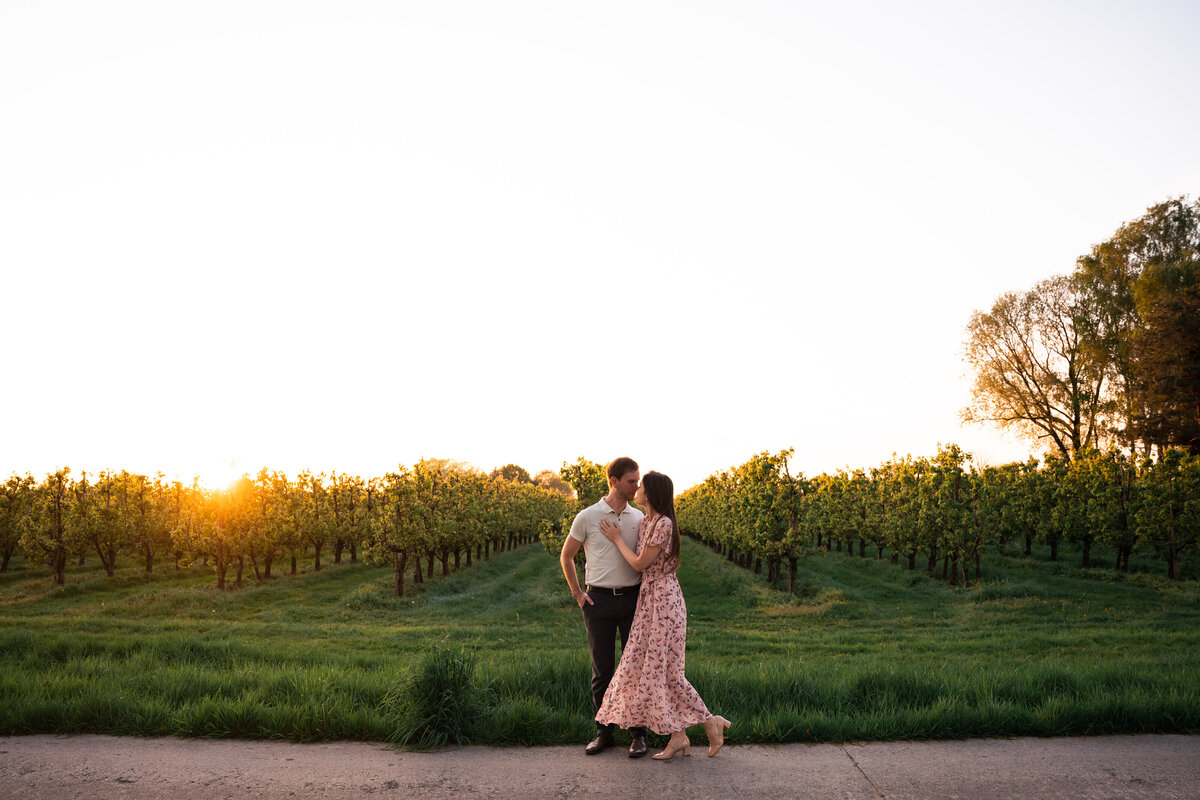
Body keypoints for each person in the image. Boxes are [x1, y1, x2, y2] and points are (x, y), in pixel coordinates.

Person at [595, 470, 732, 759]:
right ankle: (679, 736)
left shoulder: (664, 524)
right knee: (658, 671)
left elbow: (640, 563)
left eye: (642, 485)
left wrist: (618, 538)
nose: (638, 488)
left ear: (652, 493)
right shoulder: (647, 522)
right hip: (649, 601)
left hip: (665, 602)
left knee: (666, 671)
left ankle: (710, 723)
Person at [560, 457, 650, 757]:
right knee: (603, 670)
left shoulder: (639, 517)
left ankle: (638, 735)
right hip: (598, 600)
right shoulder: (587, 516)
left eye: (637, 481)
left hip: (633, 599)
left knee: (635, 669)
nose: (636, 486)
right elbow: (567, 556)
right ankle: (604, 733)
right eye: (630, 481)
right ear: (613, 481)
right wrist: (577, 594)